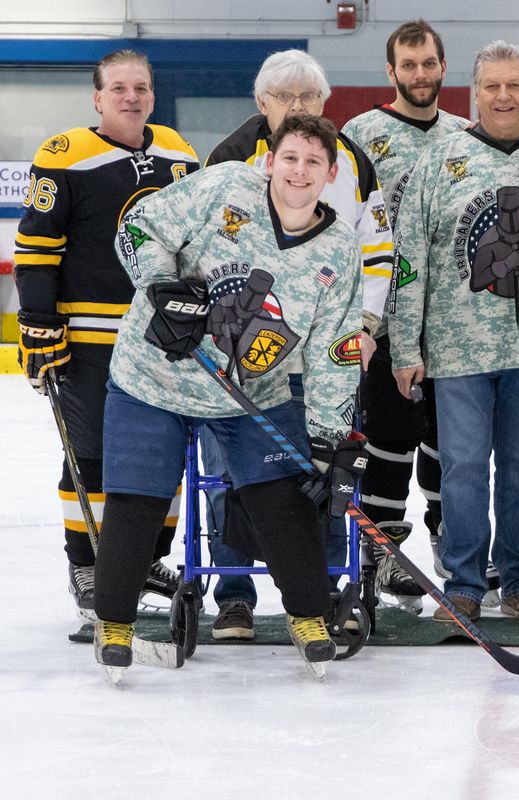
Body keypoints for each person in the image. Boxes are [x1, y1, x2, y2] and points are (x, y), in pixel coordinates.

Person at [93, 113, 364, 680]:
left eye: (313, 162)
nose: (299, 171)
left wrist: (329, 440)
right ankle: (114, 623)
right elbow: (138, 226)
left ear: (331, 174)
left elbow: (334, 351)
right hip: (155, 375)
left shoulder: (340, 250)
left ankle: (308, 616)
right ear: (270, 161)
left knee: (283, 497)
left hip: (250, 392)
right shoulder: (224, 187)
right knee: (138, 497)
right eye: (290, 158)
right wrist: (161, 287)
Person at [202, 49, 393, 640]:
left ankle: (324, 588)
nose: (297, 106)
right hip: (240, 357)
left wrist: (365, 324)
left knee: (322, 472)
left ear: (325, 102)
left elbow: (378, 251)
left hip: (323, 357)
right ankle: (234, 595)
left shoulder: (351, 161)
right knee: (229, 475)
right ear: (262, 102)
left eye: (308, 96)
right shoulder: (229, 157)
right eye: (284, 97)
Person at [388, 40, 519, 623]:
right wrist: (405, 346)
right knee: (463, 469)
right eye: (491, 85)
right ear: (475, 91)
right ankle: (465, 582)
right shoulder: (438, 161)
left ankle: (516, 577)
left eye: (513, 85)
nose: (502, 96)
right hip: (457, 350)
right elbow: (409, 259)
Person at [13, 50, 198, 620]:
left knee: (162, 455)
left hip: (161, 336)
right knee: (91, 454)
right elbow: (36, 247)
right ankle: (88, 563)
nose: (130, 97)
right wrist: (38, 322)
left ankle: (144, 558)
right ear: (98, 98)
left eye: (140, 87)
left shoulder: (178, 152)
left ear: (153, 95)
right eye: (118, 88)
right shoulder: (65, 155)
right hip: (89, 336)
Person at [342, 20, 470, 614]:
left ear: (443, 67)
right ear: (390, 71)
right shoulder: (359, 134)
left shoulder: (465, 135)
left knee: (450, 441)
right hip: (386, 322)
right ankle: (385, 553)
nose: (420, 74)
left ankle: (451, 540)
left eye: (428, 63)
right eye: (408, 65)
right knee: (388, 440)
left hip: (452, 323)